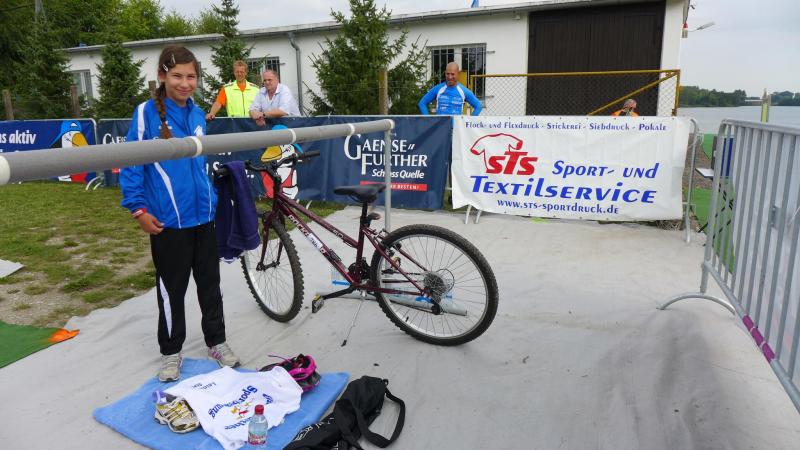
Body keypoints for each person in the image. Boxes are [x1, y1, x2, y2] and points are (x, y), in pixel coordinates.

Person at [120, 45, 240, 382]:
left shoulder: (199, 114)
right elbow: (131, 163)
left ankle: (217, 341)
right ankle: (171, 352)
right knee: (171, 290)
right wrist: (138, 209)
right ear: (162, 75)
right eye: (177, 76)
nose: (185, 83)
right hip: (168, 223)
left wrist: (212, 199)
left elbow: (198, 165)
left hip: (204, 218)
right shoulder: (145, 113)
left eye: (191, 76)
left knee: (211, 286)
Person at [418, 62, 483, 116]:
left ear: (458, 74)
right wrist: (428, 120)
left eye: (452, 74)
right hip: (440, 127)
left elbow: (478, 106)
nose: (450, 77)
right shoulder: (438, 89)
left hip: (456, 127)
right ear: (445, 73)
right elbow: (422, 103)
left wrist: (468, 122)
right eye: (447, 74)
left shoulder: (464, 91)